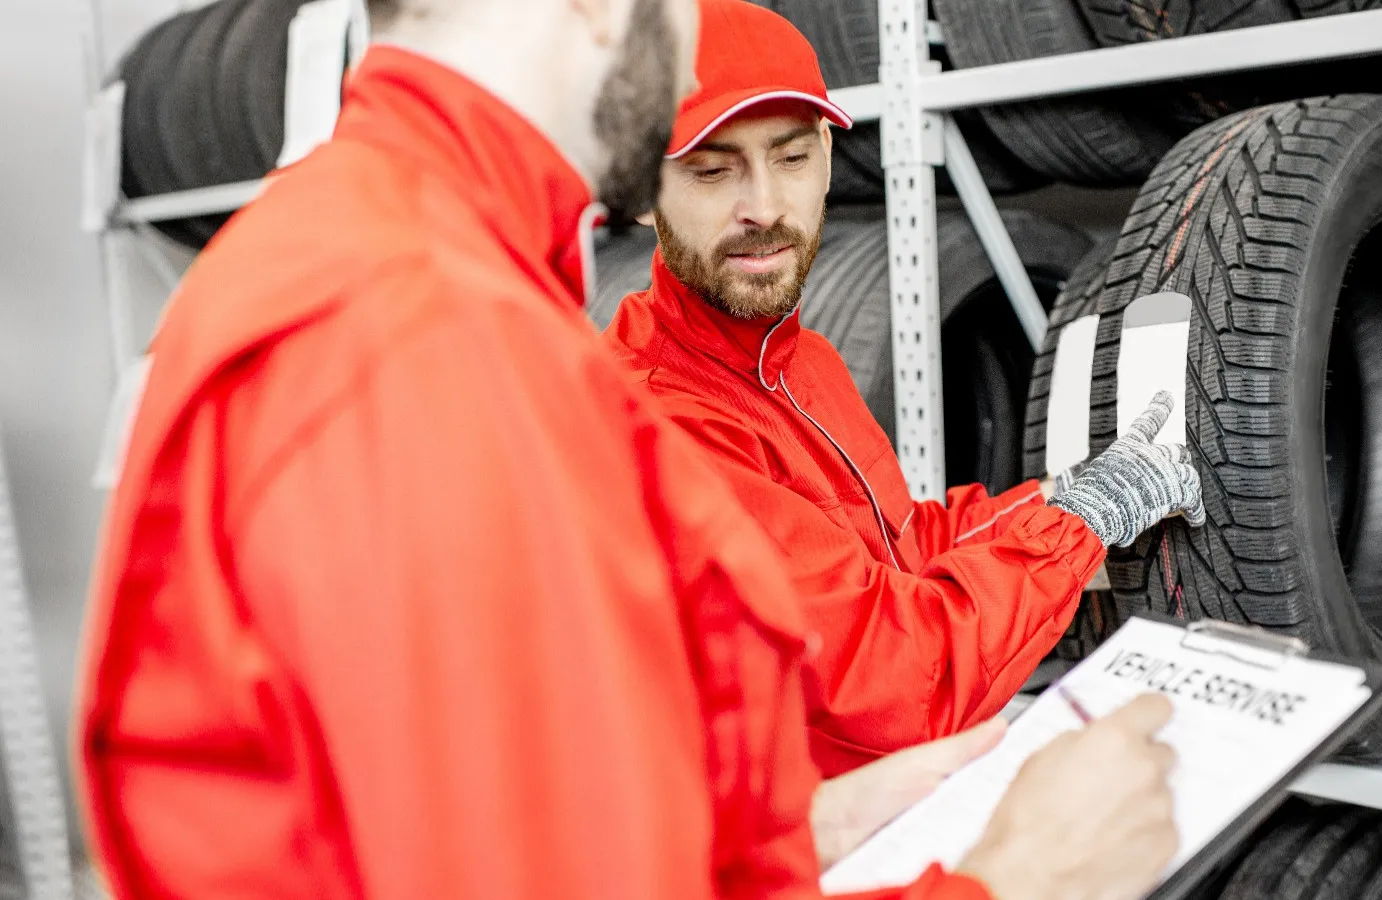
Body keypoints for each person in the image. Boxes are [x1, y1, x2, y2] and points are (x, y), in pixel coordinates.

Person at [76, 0, 1181, 897]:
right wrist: (1013, 881)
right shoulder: (436, 341)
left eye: (792, 156)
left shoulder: (368, 256)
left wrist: (808, 830)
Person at [606, 0, 1205, 775]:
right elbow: (895, 681)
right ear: (647, 189)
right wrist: (1078, 528)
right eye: (713, 170)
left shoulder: (800, 363)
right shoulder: (657, 423)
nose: (762, 207)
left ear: (827, 153)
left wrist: (1060, 499)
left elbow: (900, 549)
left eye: (790, 158)